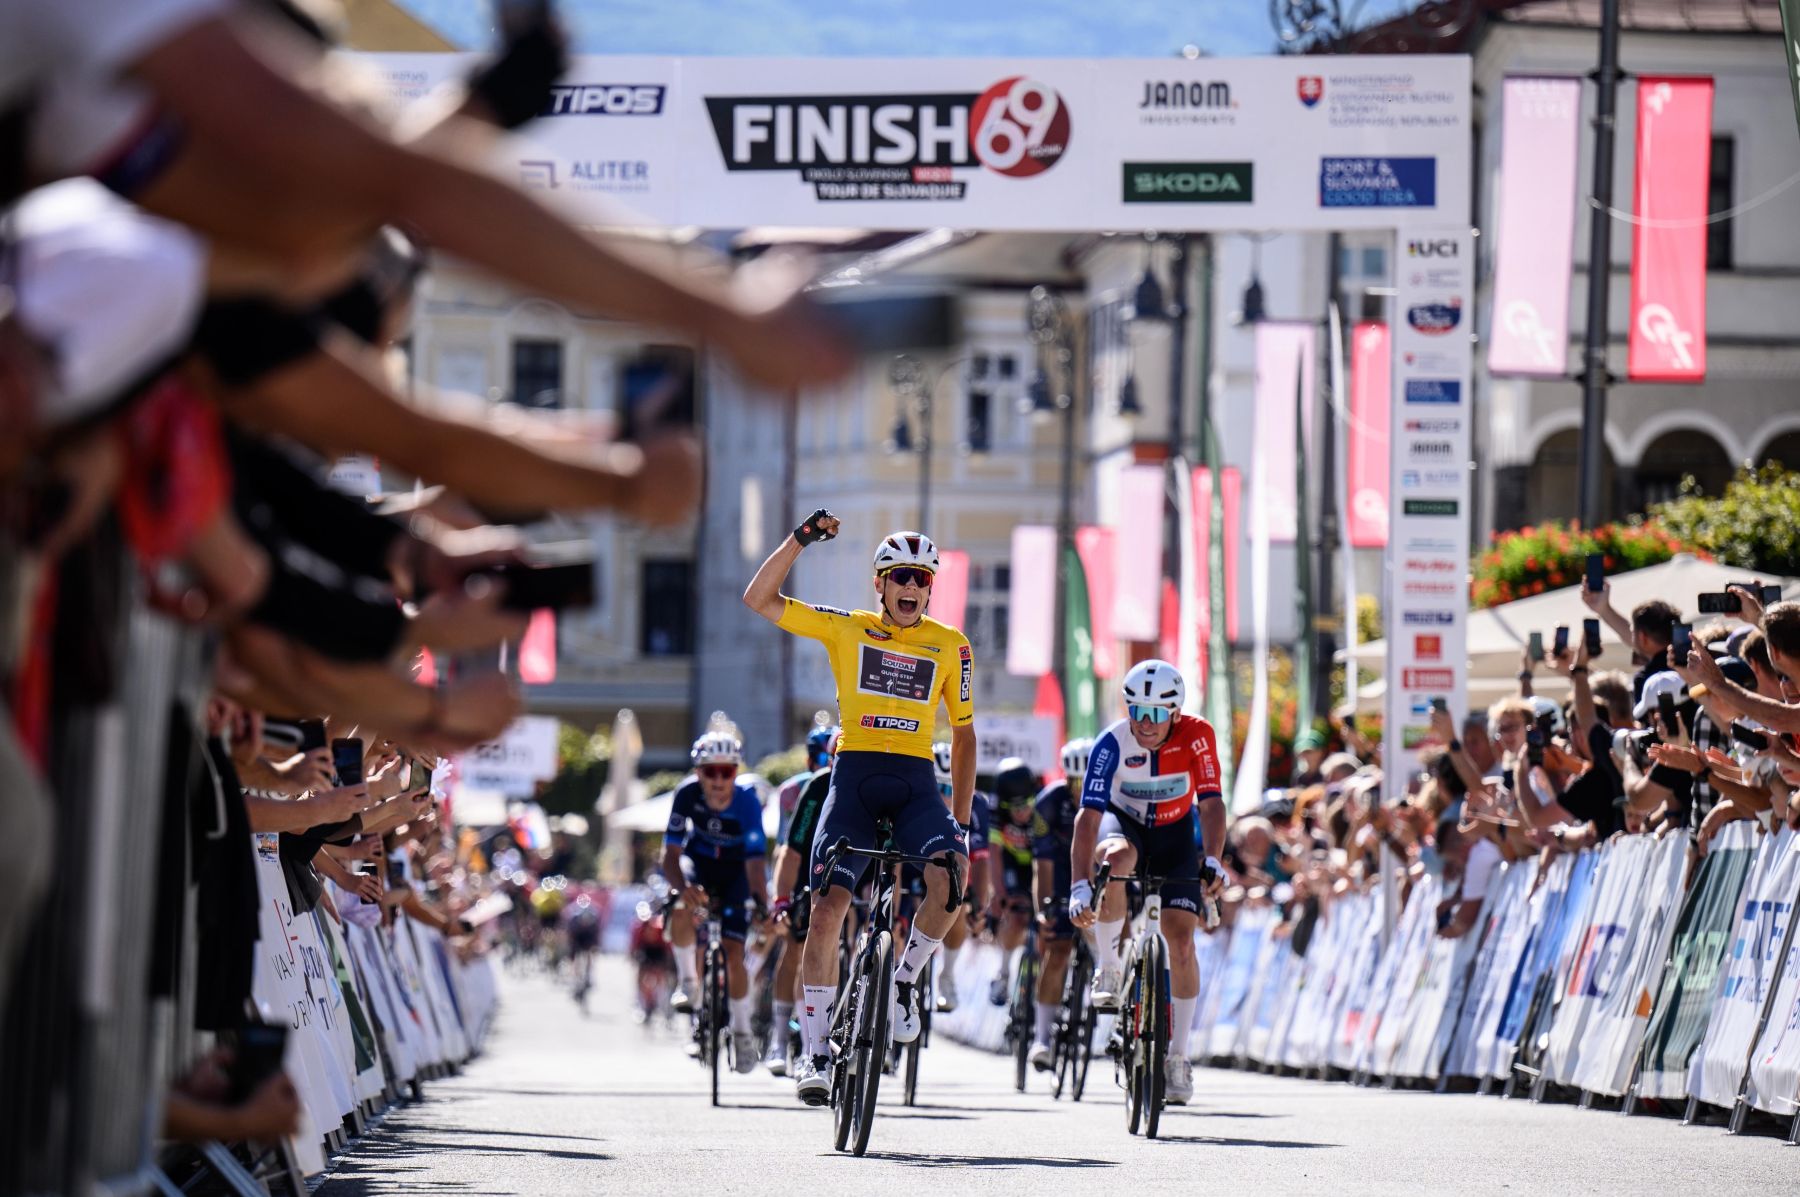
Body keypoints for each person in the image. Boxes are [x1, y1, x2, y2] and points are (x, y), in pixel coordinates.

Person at [743, 512, 975, 1107]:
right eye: (899, 576)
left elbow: (966, 733)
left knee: (951, 875)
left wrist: (964, 820)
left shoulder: (952, 646)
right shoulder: (849, 628)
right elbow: (759, 598)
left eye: (922, 578)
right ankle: (815, 1051)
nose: (911, 587)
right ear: (880, 584)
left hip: (918, 784)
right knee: (825, 912)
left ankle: (902, 982)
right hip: (856, 780)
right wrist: (799, 538)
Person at [1070, 660, 1226, 1107]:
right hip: (1127, 827)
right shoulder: (1111, 743)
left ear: (1175, 714)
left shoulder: (1198, 734)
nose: (1145, 723)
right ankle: (1111, 964)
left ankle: (1178, 1057)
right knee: (1118, 857)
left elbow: (1213, 804)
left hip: (1176, 833)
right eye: (1137, 710)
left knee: (1181, 942)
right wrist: (1080, 886)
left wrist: (1213, 858)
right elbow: (1089, 818)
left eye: (1157, 714)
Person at [661, 730, 769, 1075]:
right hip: (699, 864)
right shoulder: (686, 795)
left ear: (736, 774)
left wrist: (760, 904)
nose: (720, 780)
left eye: (727, 771)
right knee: (679, 903)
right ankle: (689, 983)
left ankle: (741, 1032)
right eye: (711, 772)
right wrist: (682, 888)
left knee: (734, 953)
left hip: (737, 872)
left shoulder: (748, 802)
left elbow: (755, 862)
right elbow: (671, 854)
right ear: (698, 773)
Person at [765, 727, 837, 1074]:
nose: (830, 765)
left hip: (848, 867)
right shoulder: (801, 789)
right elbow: (787, 848)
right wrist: (780, 900)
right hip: (806, 862)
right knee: (797, 947)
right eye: (825, 759)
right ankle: (782, 1040)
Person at [1027, 737, 1089, 1071]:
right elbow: (1043, 865)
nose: (1080, 790)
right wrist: (1044, 910)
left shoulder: (1109, 798)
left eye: (1086, 781)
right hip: (1061, 873)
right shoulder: (1049, 803)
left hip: (1094, 873)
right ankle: (1041, 1038)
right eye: (1074, 783)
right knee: (1058, 949)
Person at [931, 739, 991, 1014]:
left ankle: (948, 974)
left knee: (958, 905)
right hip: (914, 868)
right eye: (938, 787)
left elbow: (981, 859)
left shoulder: (976, 804)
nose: (945, 797)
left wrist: (979, 905)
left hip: (951, 867)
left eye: (950, 788)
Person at [985, 756, 1040, 1007]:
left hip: (1037, 863)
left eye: (1026, 805)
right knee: (1016, 916)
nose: (1021, 813)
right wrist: (999, 894)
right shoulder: (996, 814)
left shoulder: (1043, 808)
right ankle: (1004, 973)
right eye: (1014, 808)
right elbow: (994, 853)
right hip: (1010, 863)